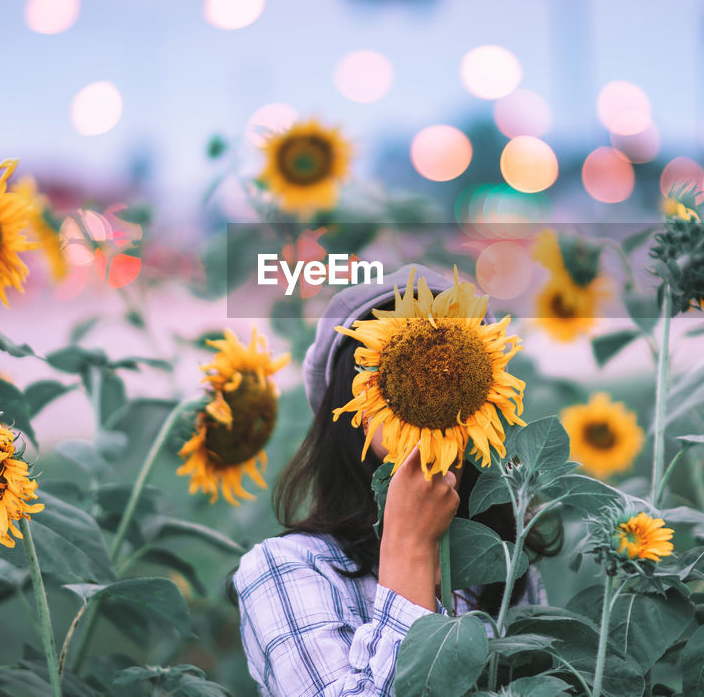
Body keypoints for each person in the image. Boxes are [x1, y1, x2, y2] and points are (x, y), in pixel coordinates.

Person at [233, 265, 559, 697]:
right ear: (352, 407)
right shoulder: (287, 568)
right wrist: (409, 546)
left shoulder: (504, 565)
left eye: (458, 371)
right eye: (401, 370)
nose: (436, 383)